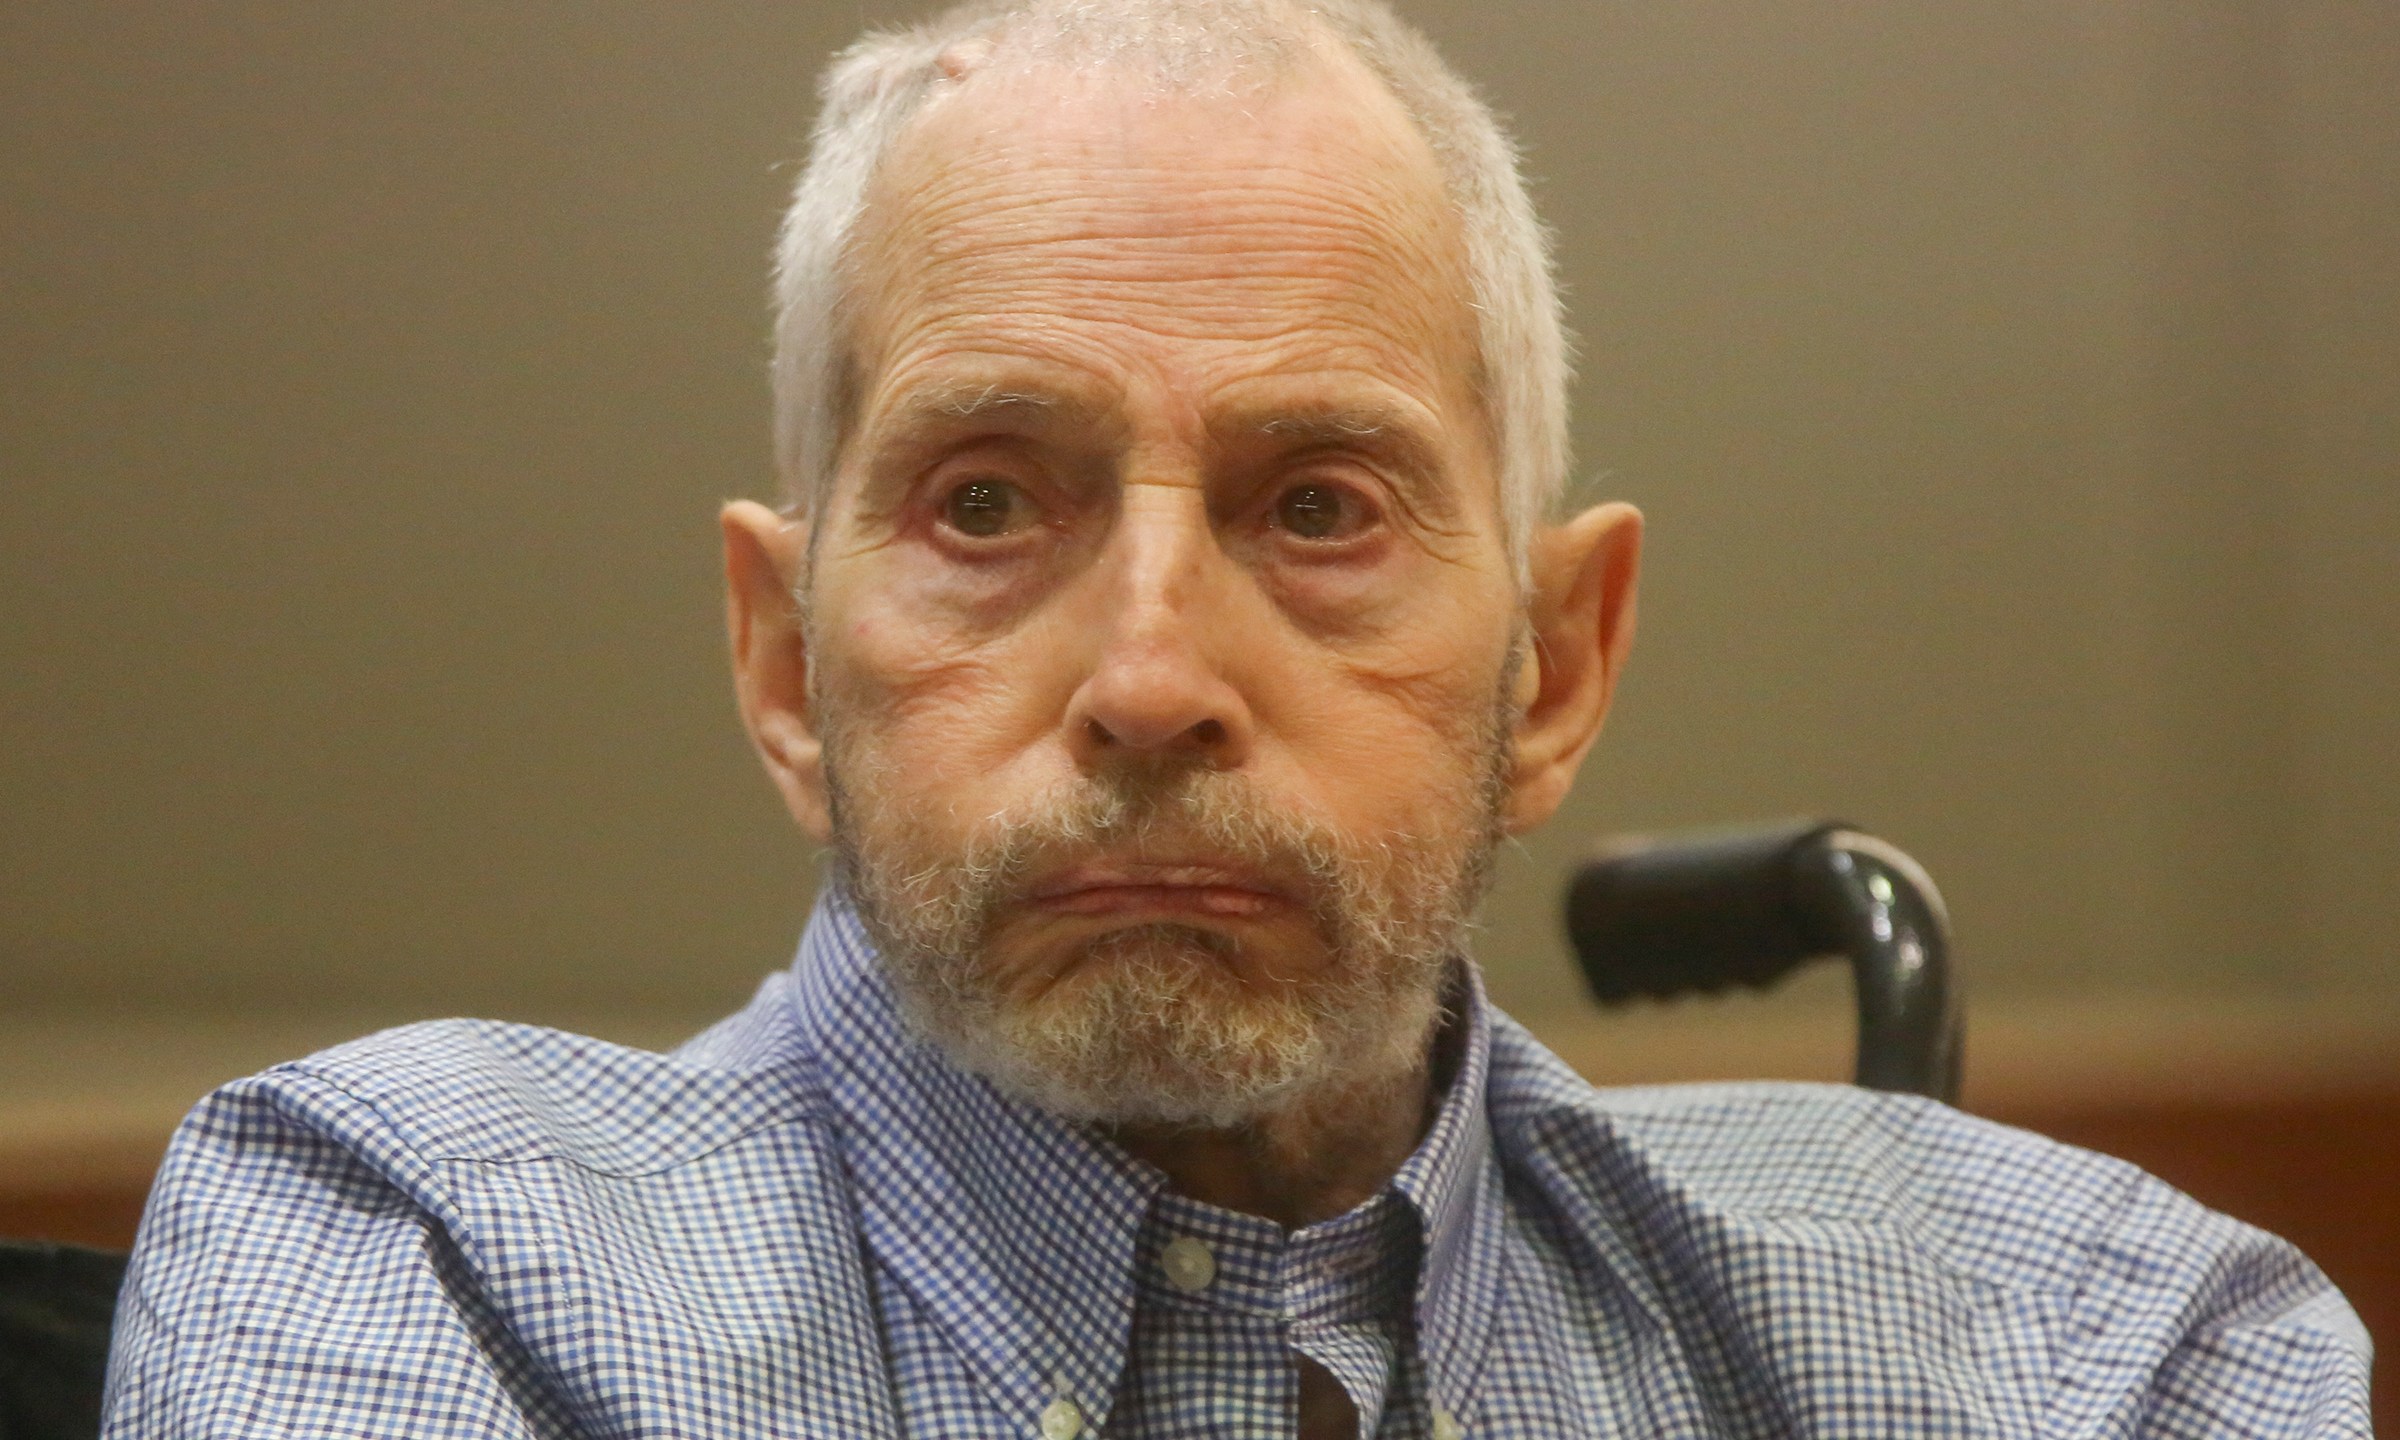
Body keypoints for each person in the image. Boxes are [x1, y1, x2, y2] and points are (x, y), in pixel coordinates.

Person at [103, 1, 2371, 1435]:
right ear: (789, 663)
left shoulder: (2096, 1350)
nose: (1156, 680)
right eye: (989, 500)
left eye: (1322, 503)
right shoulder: (427, 1261)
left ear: (1554, 669)